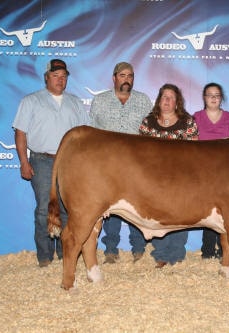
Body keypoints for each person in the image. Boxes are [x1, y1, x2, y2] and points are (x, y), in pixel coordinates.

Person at [12, 59, 89, 267]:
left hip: (69, 162)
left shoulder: (76, 102)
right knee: (44, 209)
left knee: (67, 209)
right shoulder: (31, 100)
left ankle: (65, 254)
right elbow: (20, 132)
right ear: (46, 77)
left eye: (63, 76)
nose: (60, 80)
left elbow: (84, 136)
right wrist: (23, 162)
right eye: (55, 76)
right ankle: (44, 256)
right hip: (42, 160)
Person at [89, 62, 153, 264]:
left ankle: (139, 248)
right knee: (111, 206)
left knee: (136, 206)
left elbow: (149, 133)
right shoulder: (100, 101)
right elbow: (92, 132)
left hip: (137, 164)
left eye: (131, 76)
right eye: (123, 75)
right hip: (108, 164)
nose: (127, 79)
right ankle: (110, 249)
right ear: (114, 77)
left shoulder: (143, 101)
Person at [139, 83, 199, 268]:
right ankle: (161, 254)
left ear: (177, 102)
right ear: (159, 100)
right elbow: (139, 150)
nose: (167, 100)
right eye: (164, 96)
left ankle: (177, 253)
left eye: (171, 97)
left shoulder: (187, 122)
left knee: (181, 214)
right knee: (159, 215)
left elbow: (195, 150)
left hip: (181, 177)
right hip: (154, 178)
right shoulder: (148, 122)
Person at [193, 82, 229, 259]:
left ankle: (224, 249)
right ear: (204, 98)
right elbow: (191, 146)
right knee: (207, 211)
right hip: (202, 172)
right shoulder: (195, 117)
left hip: (225, 172)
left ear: (221, 98)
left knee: (225, 211)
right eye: (210, 94)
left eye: (217, 95)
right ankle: (208, 249)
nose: (213, 98)